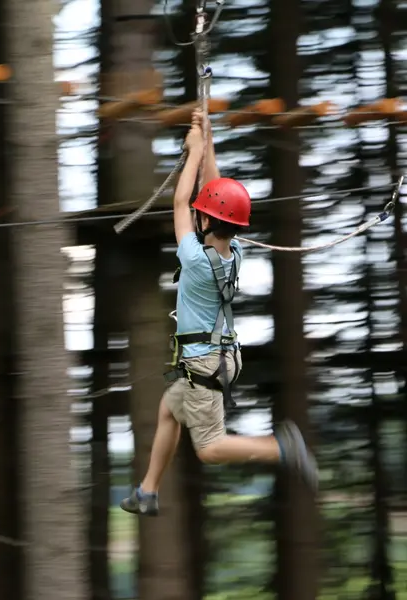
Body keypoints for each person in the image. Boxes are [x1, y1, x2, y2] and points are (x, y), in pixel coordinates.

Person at [120, 110, 318, 517]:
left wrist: (194, 151)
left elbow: (181, 200)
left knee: (209, 448)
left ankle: (279, 448)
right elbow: (214, 190)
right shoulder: (235, 253)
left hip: (204, 362)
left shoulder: (193, 258)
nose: (196, 213)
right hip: (222, 356)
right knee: (168, 410)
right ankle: (148, 490)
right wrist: (208, 141)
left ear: (207, 219)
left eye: (202, 211)